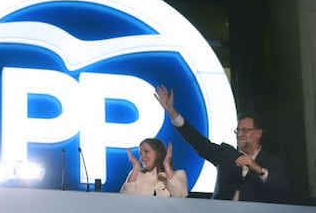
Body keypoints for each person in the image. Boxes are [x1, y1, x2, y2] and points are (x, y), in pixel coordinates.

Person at [154, 85, 291, 203]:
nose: (240, 134)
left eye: (245, 130)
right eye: (238, 130)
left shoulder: (274, 162)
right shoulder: (226, 154)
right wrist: (172, 112)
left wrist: (258, 169)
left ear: (258, 133)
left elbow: (284, 188)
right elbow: (198, 141)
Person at [120, 138, 188, 197]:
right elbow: (125, 198)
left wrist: (166, 165)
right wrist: (136, 167)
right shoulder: (136, 174)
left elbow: (180, 195)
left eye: (146, 152)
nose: (142, 158)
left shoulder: (179, 174)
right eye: (140, 154)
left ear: (158, 152)